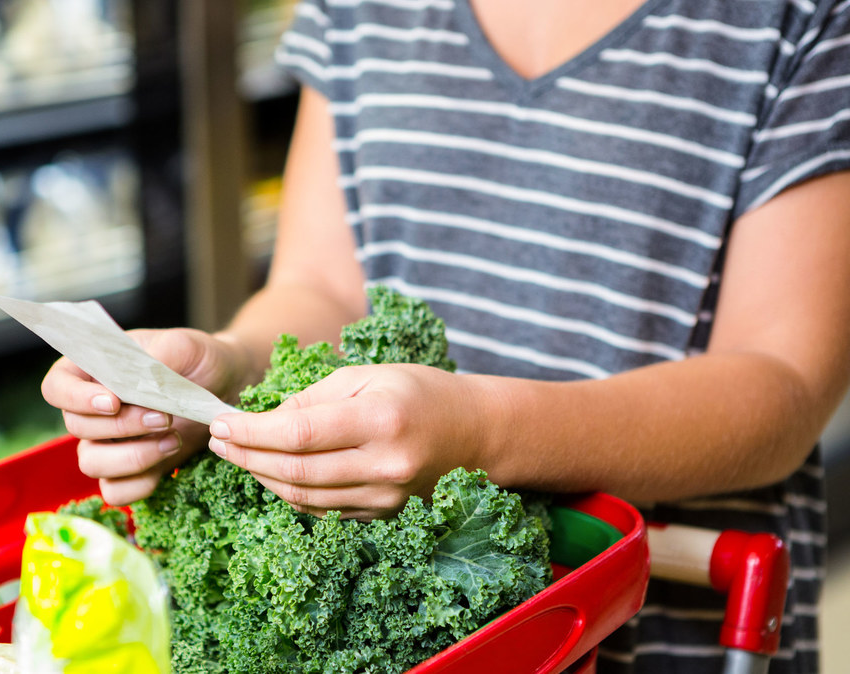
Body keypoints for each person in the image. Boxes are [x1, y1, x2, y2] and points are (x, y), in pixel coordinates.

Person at [41, 0, 850, 671]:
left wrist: (481, 433)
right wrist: (232, 365)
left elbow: (782, 384)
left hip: (673, 629)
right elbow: (324, 286)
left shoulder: (797, 21)